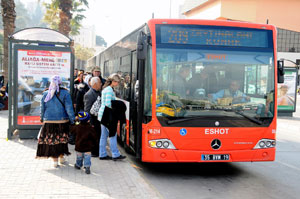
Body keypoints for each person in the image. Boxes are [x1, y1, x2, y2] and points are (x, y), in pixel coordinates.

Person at [36, 75, 75, 168]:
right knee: (62, 140)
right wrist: (72, 120)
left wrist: (42, 118)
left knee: (52, 141)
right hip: (62, 121)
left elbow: (42, 108)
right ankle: (61, 158)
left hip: (49, 121)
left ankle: (55, 161)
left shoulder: (46, 93)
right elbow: (69, 108)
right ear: (60, 82)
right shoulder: (65, 93)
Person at [98, 74, 126, 161]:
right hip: (108, 116)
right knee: (112, 135)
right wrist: (117, 105)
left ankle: (102, 154)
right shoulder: (110, 90)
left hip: (102, 114)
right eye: (117, 82)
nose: (118, 84)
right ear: (113, 81)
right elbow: (108, 104)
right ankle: (115, 154)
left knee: (103, 136)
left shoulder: (105, 89)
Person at [83, 77, 102, 157]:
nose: (101, 84)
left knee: (98, 135)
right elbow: (87, 109)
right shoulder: (89, 94)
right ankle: (94, 152)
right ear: (95, 84)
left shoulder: (98, 92)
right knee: (94, 136)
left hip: (98, 119)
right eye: (100, 83)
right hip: (93, 120)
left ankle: (96, 151)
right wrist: (90, 122)